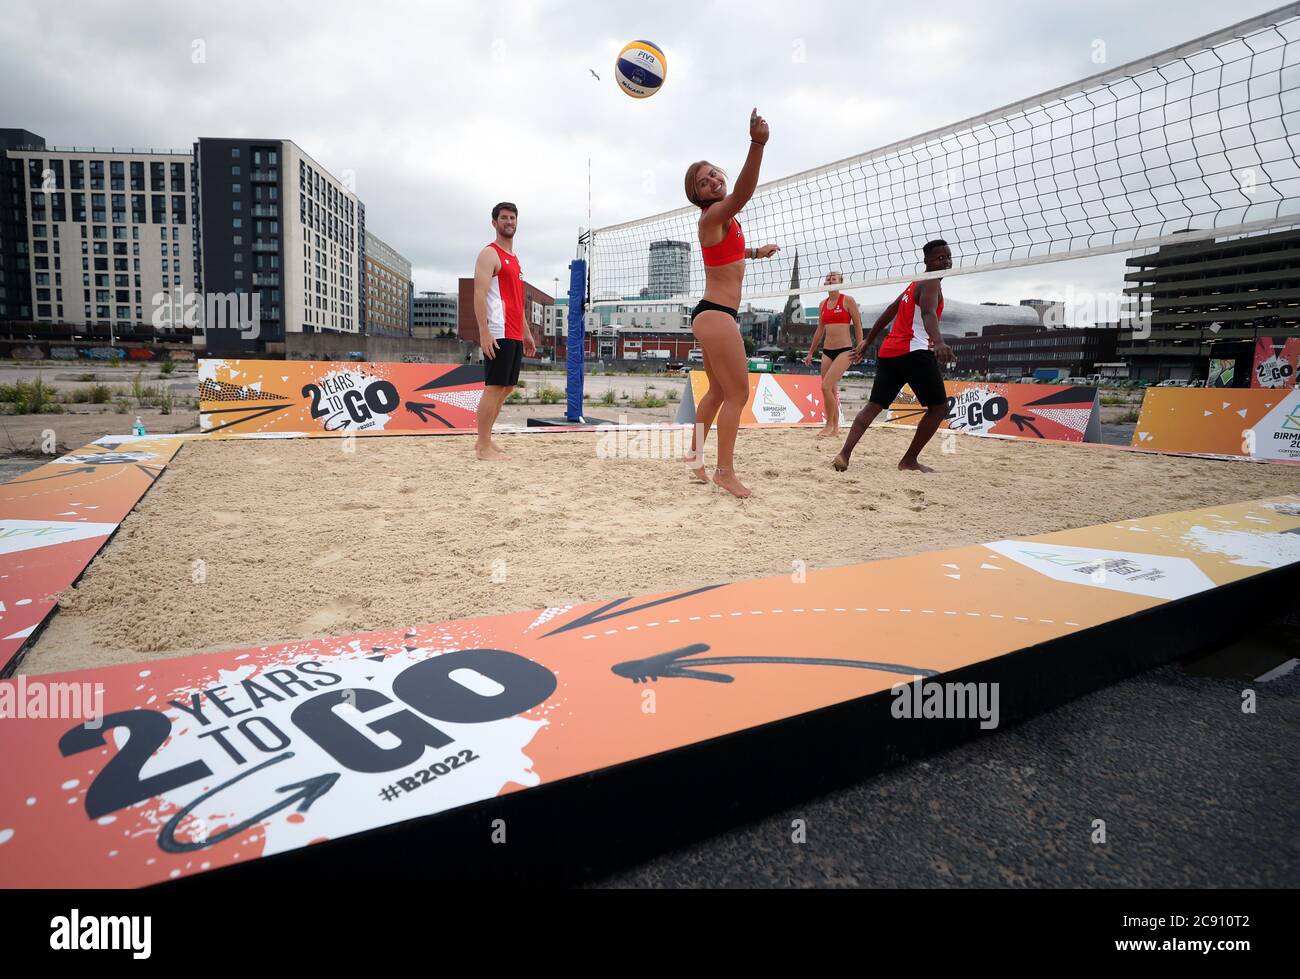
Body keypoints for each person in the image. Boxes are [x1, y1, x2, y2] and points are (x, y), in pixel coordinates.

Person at [682, 108, 781, 498]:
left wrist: (758, 251)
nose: (712, 181)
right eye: (704, 182)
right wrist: (757, 144)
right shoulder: (713, 215)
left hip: (711, 315)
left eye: (713, 174)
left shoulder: (726, 224)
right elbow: (743, 192)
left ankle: (694, 458)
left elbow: (730, 256)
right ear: (698, 196)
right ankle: (724, 471)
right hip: (717, 316)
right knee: (738, 394)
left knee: (718, 393)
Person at [832, 239, 954, 473]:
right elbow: (928, 314)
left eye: (948, 256)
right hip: (914, 352)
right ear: (927, 261)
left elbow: (890, 310)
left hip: (890, 352)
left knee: (874, 405)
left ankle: (844, 454)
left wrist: (869, 339)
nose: (946, 260)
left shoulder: (915, 284)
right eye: (940, 257)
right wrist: (938, 342)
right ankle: (908, 461)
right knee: (938, 408)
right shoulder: (930, 284)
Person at [472, 202, 536, 461]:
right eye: (504, 218)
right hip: (498, 330)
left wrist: (527, 333)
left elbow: (516, 302)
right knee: (494, 387)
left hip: (514, 333)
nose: (509, 222)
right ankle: (483, 445)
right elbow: (479, 293)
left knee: (507, 387)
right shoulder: (490, 254)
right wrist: (484, 332)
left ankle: (484, 441)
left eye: (513, 218)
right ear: (494, 223)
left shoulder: (515, 259)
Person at [803, 270, 862, 439]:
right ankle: (835, 428)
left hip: (845, 350)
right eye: (828, 278)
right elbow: (819, 330)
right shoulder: (823, 304)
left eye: (833, 278)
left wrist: (860, 347)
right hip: (827, 351)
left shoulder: (848, 301)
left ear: (840, 282)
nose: (830, 280)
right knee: (831, 390)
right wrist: (810, 352)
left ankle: (828, 424)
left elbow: (858, 325)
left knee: (825, 386)